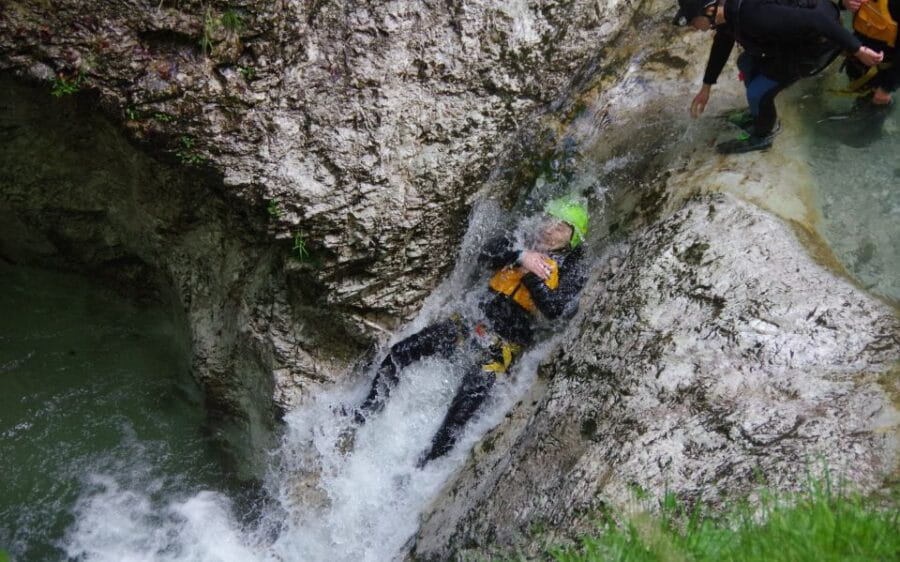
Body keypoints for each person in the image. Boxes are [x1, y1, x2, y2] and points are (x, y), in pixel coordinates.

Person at [352, 195, 589, 465]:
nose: (548, 229)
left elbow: (556, 309)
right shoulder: (523, 238)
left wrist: (533, 276)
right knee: (401, 352)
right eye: (549, 220)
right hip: (471, 321)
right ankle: (365, 411)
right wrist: (521, 256)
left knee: (463, 407)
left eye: (560, 227)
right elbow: (485, 253)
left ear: (572, 238)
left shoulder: (573, 268)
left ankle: (423, 466)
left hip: (504, 344)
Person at [675, 0, 884, 154]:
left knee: (758, 91)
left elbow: (816, 20)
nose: (693, 26)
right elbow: (722, 44)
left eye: (693, 20)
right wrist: (706, 87)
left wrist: (858, 50)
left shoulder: (753, 15)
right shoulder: (727, 13)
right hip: (791, 40)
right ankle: (758, 114)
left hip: (814, 48)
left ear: (710, 9)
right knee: (746, 63)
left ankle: (763, 135)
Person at [842, 0, 898, 105]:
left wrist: (886, 89)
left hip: (882, 74)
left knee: (872, 108)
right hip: (857, 61)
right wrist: (844, 3)